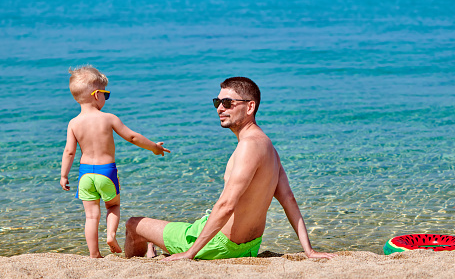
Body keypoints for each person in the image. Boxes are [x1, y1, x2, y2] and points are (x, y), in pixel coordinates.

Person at [125, 77, 336, 260]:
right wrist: (309, 251)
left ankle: (141, 262)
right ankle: (154, 250)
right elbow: (288, 199)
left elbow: (227, 204)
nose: (219, 108)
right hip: (250, 247)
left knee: (134, 225)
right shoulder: (268, 147)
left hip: (219, 245)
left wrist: (190, 253)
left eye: (227, 102)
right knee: (178, 227)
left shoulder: (248, 146)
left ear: (250, 107)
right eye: (217, 102)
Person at [60, 65, 171, 258]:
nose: (106, 98)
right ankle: (110, 235)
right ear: (96, 95)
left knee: (91, 216)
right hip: (106, 172)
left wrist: (63, 175)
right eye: (106, 94)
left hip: (85, 174)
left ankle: (94, 254)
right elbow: (133, 137)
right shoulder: (109, 118)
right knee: (112, 206)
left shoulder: (73, 123)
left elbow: (69, 152)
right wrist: (154, 147)